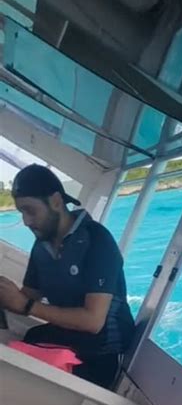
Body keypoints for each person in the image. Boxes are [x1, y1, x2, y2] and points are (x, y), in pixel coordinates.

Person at [0, 164, 135, 389]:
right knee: (31, 337)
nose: (26, 221)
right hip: (68, 337)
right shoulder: (42, 246)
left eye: (30, 210)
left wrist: (26, 305)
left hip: (102, 353)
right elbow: (25, 297)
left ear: (55, 201)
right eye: (21, 212)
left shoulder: (97, 240)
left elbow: (93, 321)